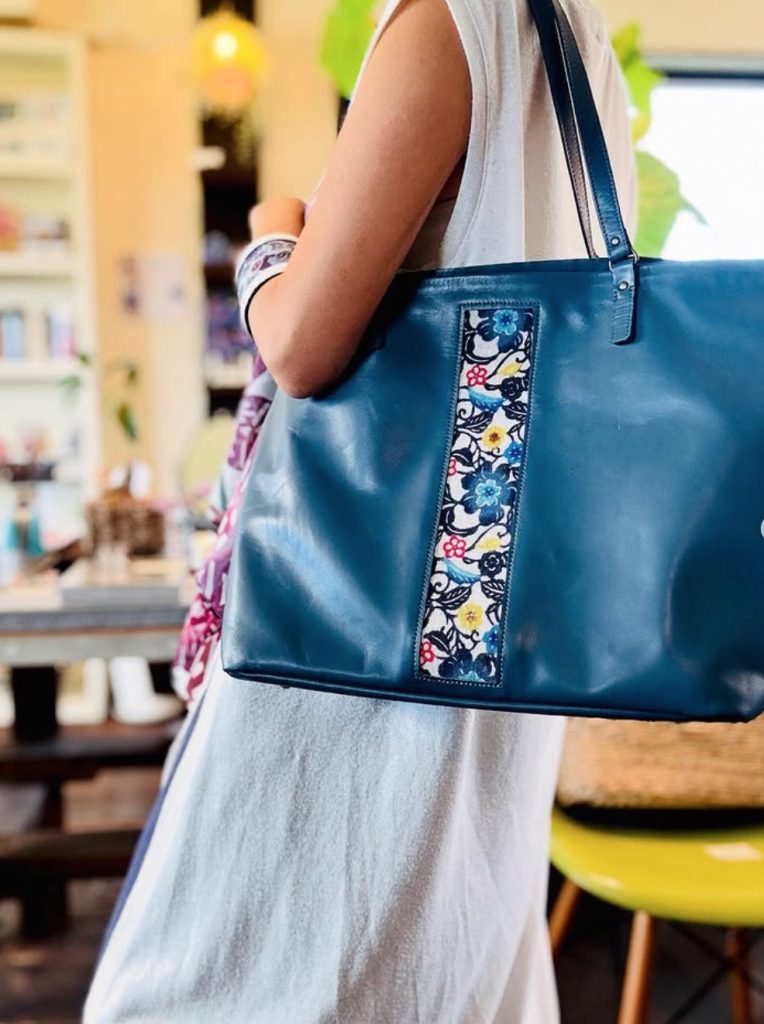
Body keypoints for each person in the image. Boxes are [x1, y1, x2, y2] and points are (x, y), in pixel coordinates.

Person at [83, 0, 637, 1019]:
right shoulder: (574, 35)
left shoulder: (446, 18)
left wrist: (269, 238)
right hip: (486, 607)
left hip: (355, 621)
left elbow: (301, 343)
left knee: (225, 972)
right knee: (442, 958)